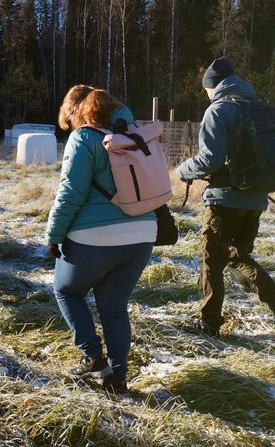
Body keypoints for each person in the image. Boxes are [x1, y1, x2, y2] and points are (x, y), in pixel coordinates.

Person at [176, 57, 275, 338]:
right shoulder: (261, 107)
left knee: (211, 260)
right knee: (237, 257)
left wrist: (183, 170)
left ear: (211, 86)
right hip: (256, 200)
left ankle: (208, 324)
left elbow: (210, 160)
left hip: (224, 200)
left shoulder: (218, 110)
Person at [45, 86, 157, 394]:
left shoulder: (84, 138)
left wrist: (54, 235)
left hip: (96, 236)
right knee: (114, 305)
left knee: (66, 290)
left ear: (75, 112)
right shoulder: (133, 134)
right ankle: (117, 378)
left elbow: (71, 193)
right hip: (143, 234)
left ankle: (92, 356)